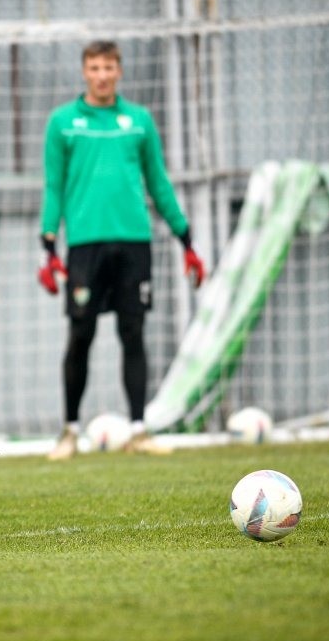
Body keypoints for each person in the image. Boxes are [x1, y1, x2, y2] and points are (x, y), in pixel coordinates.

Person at [38, 40, 205, 461]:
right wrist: (48, 241)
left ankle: (138, 430)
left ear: (119, 71)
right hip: (84, 247)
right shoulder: (63, 122)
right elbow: (54, 186)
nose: (102, 75)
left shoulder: (139, 121)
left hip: (134, 243)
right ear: (84, 72)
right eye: (94, 67)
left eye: (108, 67)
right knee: (81, 335)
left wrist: (186, 238)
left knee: (133, 333)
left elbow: (158, 182)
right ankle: (69, 432)